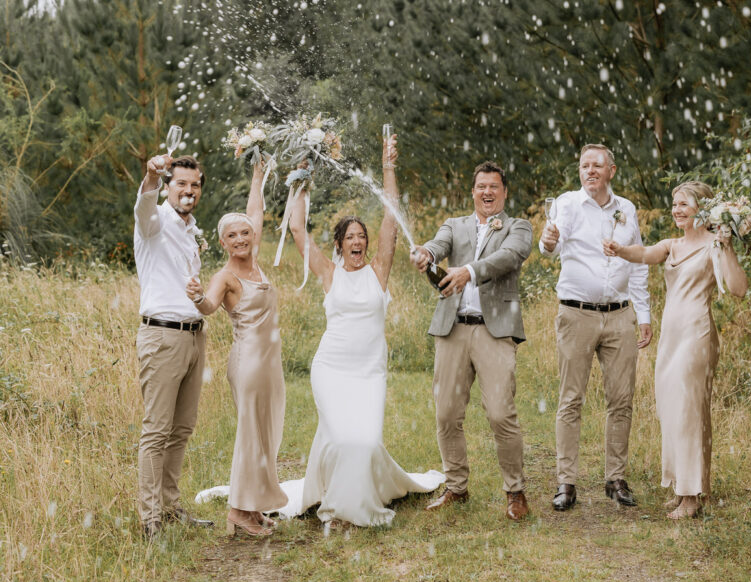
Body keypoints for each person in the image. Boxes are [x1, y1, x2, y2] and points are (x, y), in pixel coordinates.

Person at [282, 132, 444, 527]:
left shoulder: (378, 272)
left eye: (362, 237)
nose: (358, 241)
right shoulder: (329, 273)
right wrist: (303, 176)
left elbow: (391, 216)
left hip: (369, 370)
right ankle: (338, 510)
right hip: (331, 367)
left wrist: (388, 166)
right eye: (350, 237)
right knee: (340, 437)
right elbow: (298, 231)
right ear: (339, 245)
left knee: (366, 441)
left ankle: (355, 494)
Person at [607, 181, 748, 519]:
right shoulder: (671, 246)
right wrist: (620, 250)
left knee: (689, 411)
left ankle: (691, 497)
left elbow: (739, 289)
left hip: (696, 333)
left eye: (684, 204)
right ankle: (684, 484)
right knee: (672, 410)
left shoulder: (716, 245)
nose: (676, 210)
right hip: (671, 335)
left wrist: (728, 246)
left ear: (702, 209)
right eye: (674, 204)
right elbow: (644, 254)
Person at [411, 161, 533, 521]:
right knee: (447, 413)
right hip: (452, 328)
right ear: (473, 191)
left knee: (500, 413)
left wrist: (468, 271)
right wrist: (427, 254)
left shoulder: (518, 226)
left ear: (504, 192)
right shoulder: (455, 225)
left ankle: (515, 491)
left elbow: (508, 258)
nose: (487, 193)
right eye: (481, 186)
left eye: (494, 186)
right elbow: (437, 244)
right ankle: (456, 487)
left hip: (495, 330)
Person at [539, 144, 652, 512]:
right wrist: (548, 242)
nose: (590, 171)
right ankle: (566, 482)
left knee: (621, 399)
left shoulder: (627, 209)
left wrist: (644, 313)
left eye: (597, 166)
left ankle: (615, 478)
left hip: (620, 315)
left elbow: (637, 263)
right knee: (571, 399)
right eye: (585, 166)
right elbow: (550, 244)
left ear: (611, 171)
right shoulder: (568, 204)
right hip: (578, 313)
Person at [185, 159, 288, 537]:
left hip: (270, 363)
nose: (242, 239)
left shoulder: (256, 263)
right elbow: (210, 306)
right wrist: (197, 298)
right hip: (248, 363)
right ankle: (237, 513)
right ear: (223, 242)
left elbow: (255, 212)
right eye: (234, 236)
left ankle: (254, 506)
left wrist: (258, 172)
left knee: (267, 433)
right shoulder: (225, 276)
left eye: (246, 233)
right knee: (251, 434)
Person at [134, 152, 214, 539]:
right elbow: (144, 203)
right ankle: (150, 519)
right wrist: (150, 175)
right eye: (180, 183)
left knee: (181, 429)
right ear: (168, 187)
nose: (188, 190)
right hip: (162, 336)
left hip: (194, 336)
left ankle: (170, 506)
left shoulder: (191, 229)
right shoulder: (154, 222)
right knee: (157, 430)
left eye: (195, 185)